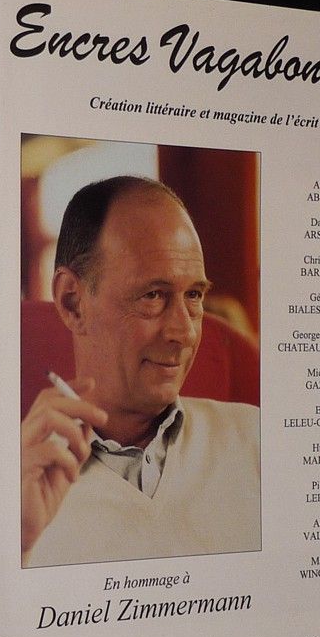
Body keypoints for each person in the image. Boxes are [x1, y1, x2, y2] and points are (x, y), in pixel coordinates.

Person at [22, 175, 260, 566]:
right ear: (72, 302)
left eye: (194, 295)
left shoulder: (260, 442)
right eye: (152, 295)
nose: (185, 332)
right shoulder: (19, 487)